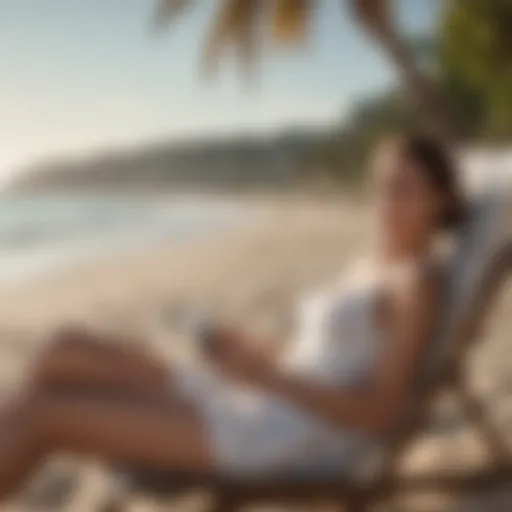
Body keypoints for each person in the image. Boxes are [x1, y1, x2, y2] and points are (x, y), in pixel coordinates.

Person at [0, 133, 466, 499]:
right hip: (263, 396)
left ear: (441, 201)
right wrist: (254, 351)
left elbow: (382, 414)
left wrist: (267, 378)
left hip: (284, 435)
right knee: (61, 351)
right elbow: (322, 357)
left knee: (44, 411)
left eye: (407, 189)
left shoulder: (416, 285)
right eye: (384, 186)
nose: (387, 203)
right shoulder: (372, 261)